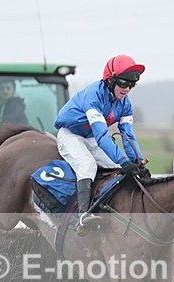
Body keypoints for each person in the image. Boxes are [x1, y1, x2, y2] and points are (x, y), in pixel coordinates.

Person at [54, 54, 146, 234]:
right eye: (123, 83)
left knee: (116, 167)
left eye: (131, 85)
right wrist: (124, 161)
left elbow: (128, 134)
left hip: (91, 138)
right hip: (71, 135)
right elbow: (103, 135)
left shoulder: (125, 104)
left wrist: (138, 161)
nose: (127, 89)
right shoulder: (93, 95)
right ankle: (83, 216)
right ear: (110, 80)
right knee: (87, 165)